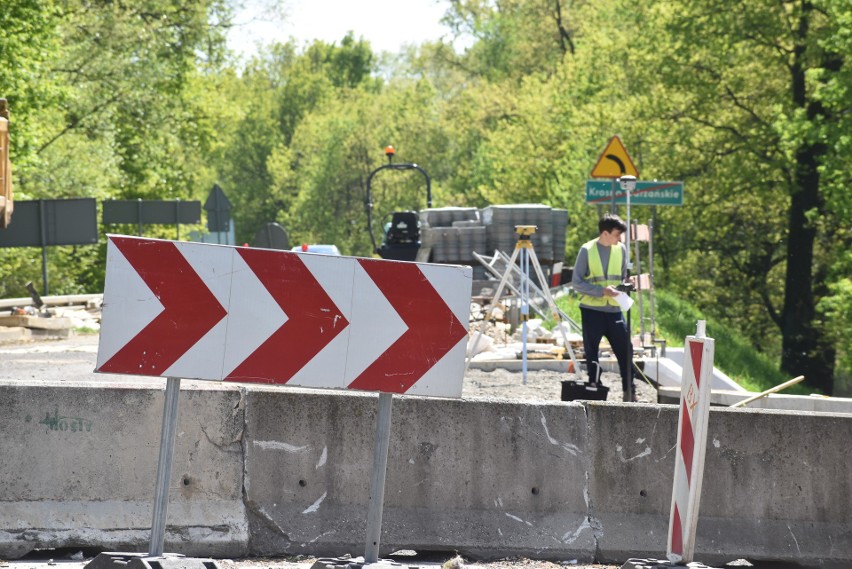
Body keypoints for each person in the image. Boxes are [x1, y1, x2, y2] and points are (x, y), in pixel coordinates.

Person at [571, 212, 635, 402]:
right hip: (592, 311)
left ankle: (629, 392)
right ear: (605, 233)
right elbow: (576, 283)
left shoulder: (621, 249)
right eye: (617, 234)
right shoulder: (587, 250)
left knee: (626, 350)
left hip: (615, 309)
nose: (619, 238)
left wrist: (628, 283)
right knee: (592, 352)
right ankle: (594, 388)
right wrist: (601, 291)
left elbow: (622, 276)